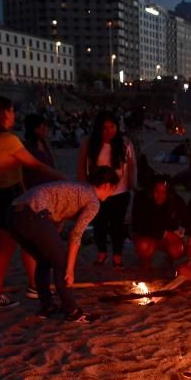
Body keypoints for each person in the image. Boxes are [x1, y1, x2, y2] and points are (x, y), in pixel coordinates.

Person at [0, 96, 64, 308]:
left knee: (20, 244)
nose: (14, 115)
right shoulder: (9, 140)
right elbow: (35, 165)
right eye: (12, 110)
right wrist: (63, 178)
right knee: (14, 246)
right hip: (9, 197)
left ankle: (32, 286)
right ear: (4, 114)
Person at [6, 168, 120, 323]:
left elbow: (57, 217)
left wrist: (54, 241)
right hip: (33, 214)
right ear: (107, 185)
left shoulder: (77, 187)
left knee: (44, 260)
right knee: (61, 264)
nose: (114, 192)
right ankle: (73, 312)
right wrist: (70, 269)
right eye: (114, 188)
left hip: (13, 215)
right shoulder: (93, 201)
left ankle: (47, 307)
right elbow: (76, 234)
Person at [77, 111, 136, 268]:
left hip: (120, 192)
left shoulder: (125, 143)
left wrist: (132, 184)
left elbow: (131, 165)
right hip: (96, 191)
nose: (108, 131)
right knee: (99, 224)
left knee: (117, 225)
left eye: (112, 127)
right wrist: (83, 187)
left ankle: (117, 256)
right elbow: (82, 166)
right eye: (104, 128)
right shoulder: (90, 143)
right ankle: (101, 253)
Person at [132, 176, 187, 270]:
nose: (160, 195)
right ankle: (146, 262)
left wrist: (179, 233)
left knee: (177, 249)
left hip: (168, 238)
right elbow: (139, 226)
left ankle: (169, 259)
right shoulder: (142, 200)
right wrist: (164, 234)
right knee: (144, 246)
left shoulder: (176, 201)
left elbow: (186, 220)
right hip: (148, 236)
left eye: (164, 192)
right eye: (156, 191)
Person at [22, 114, 57, 189]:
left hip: (49, 185)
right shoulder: (28, 148)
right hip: (36, 188)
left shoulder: (44, 143)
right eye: (43, 126)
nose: (46, 129)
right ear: (36, 129)